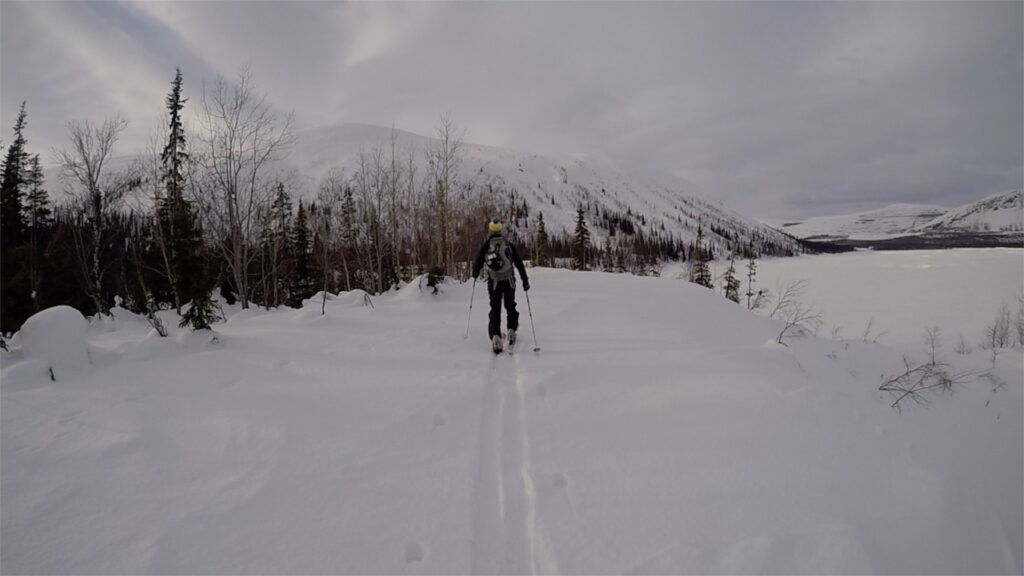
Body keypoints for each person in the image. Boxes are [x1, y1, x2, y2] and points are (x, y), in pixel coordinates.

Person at [471, 217, 530, 353]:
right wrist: (525, 280)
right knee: (510, 306)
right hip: (509, 281)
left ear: (490, 230)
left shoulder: (487, 245)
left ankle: (496, 336)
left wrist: (474, 274)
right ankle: (511, 330)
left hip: (494, 282)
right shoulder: (508, 244)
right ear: (500, 229)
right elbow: (519, 264)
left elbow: (478, 262)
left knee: (495, 309)